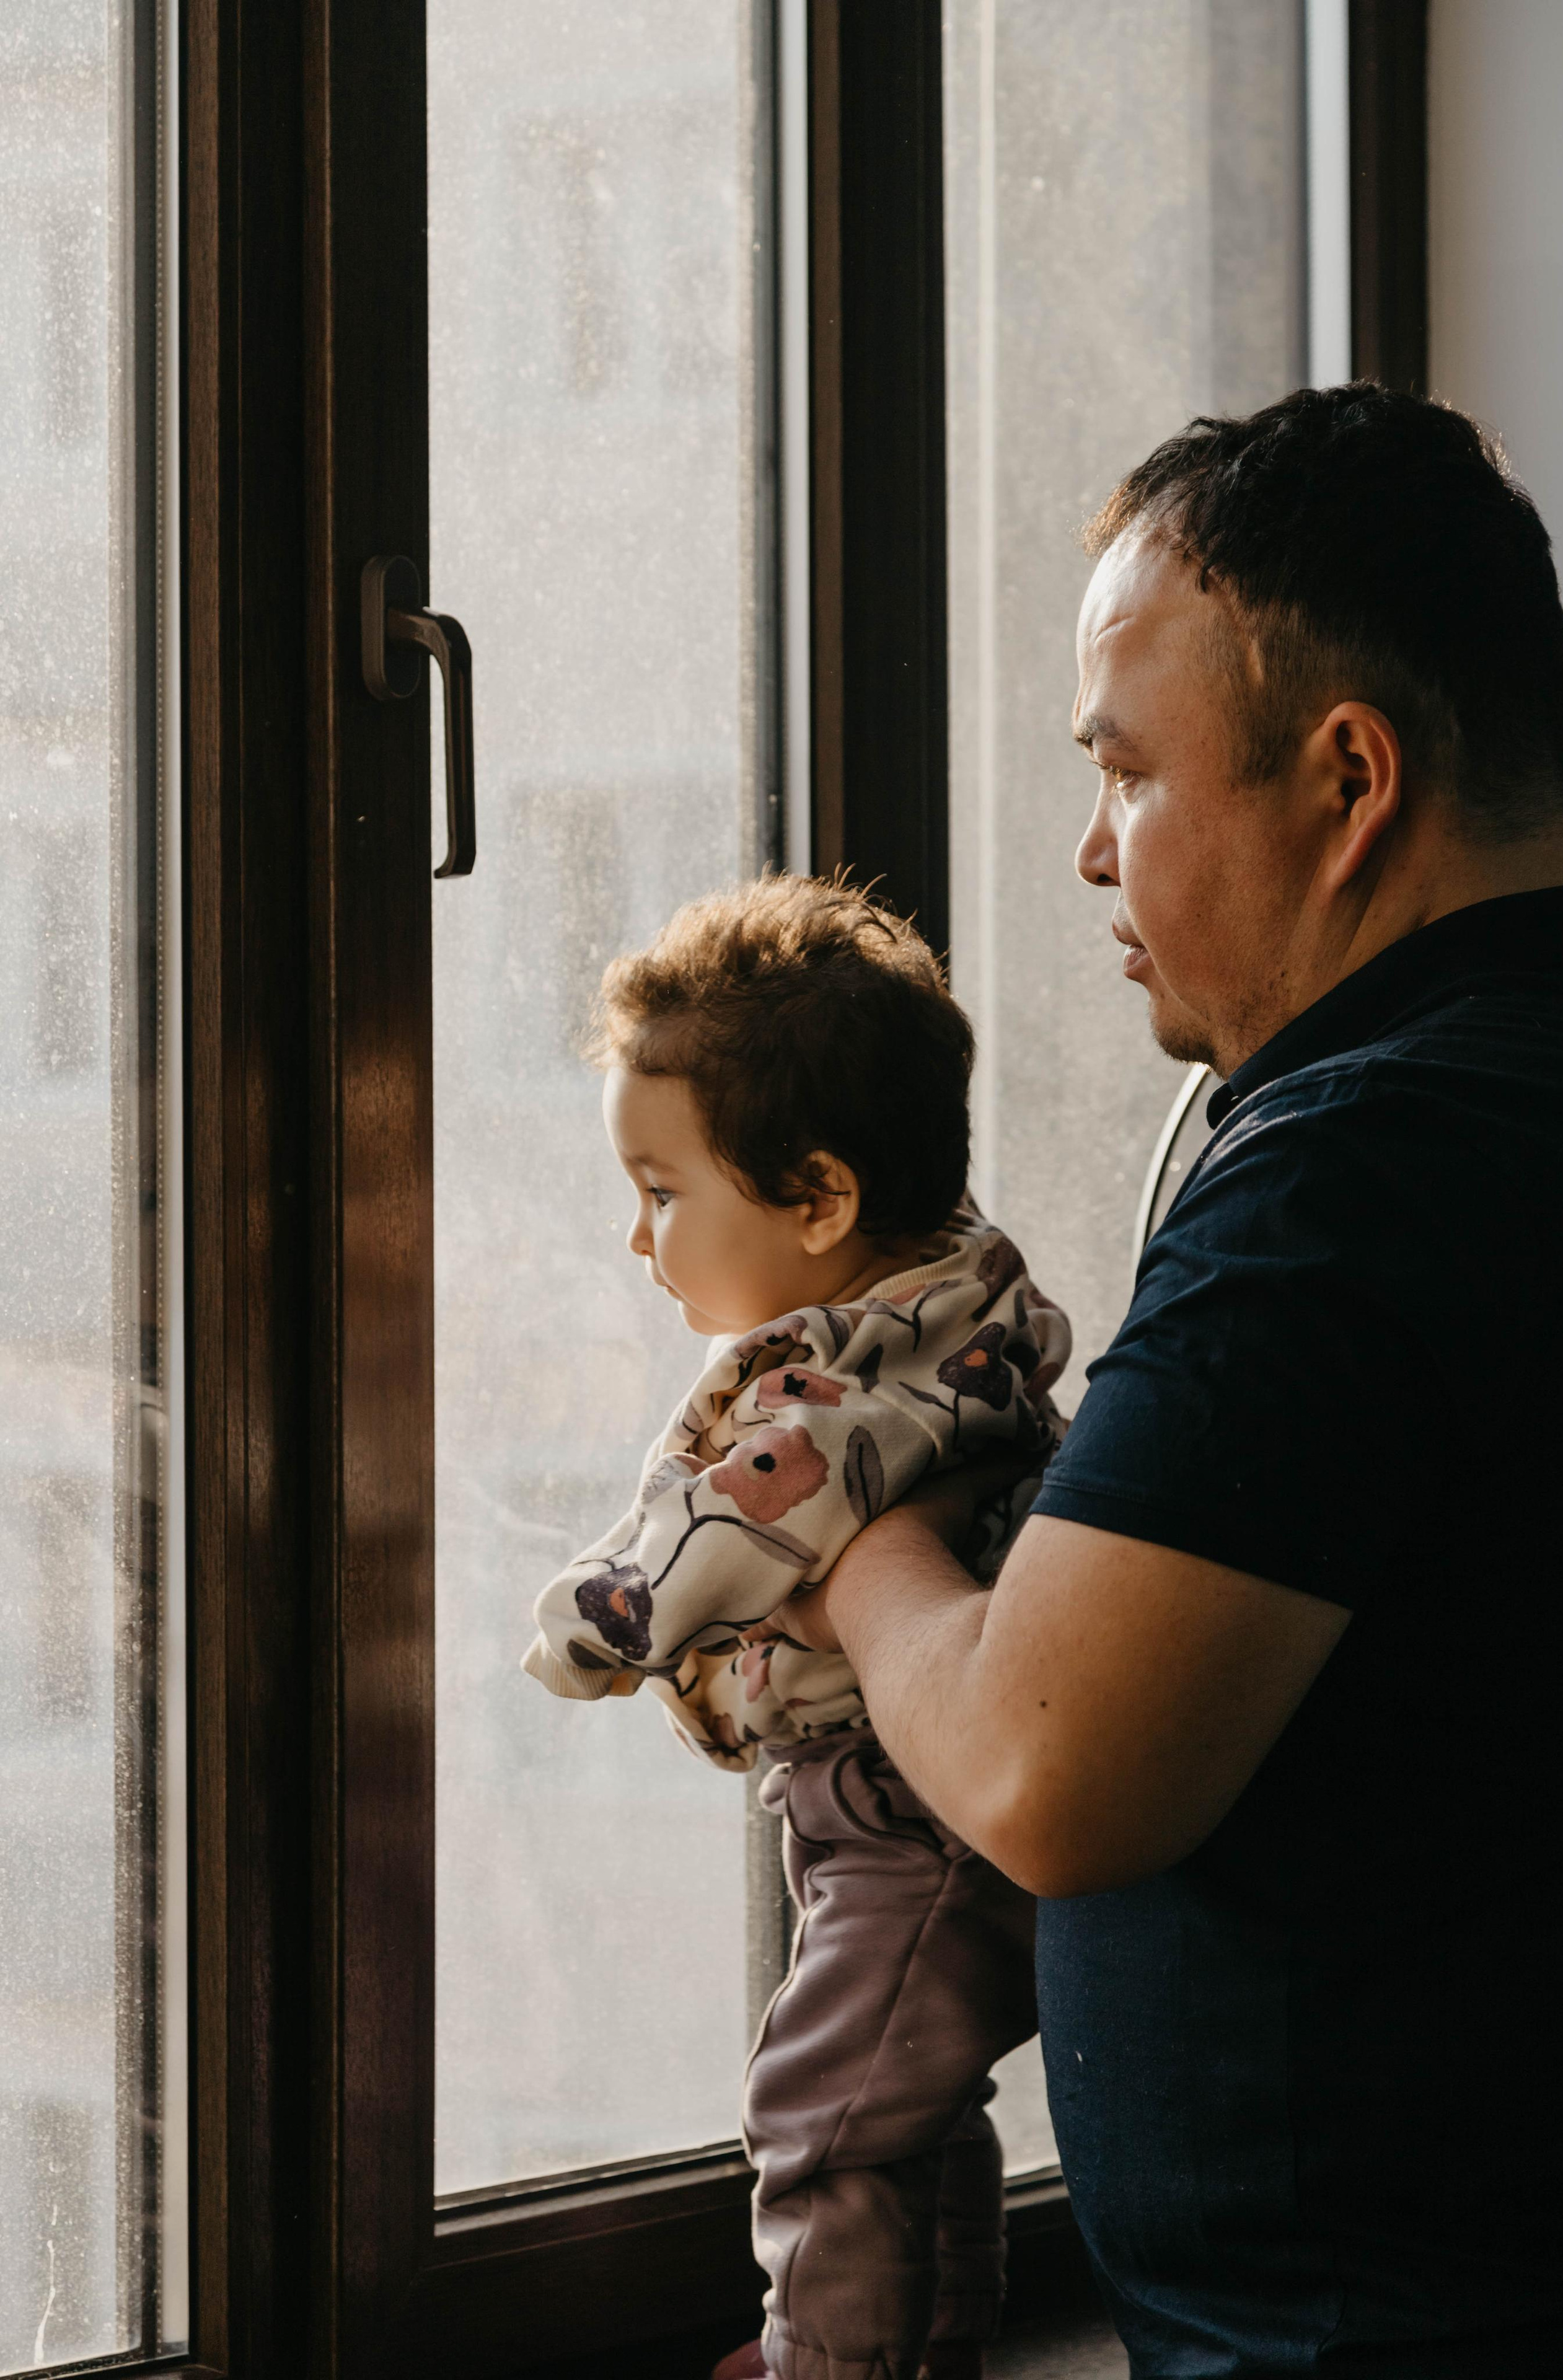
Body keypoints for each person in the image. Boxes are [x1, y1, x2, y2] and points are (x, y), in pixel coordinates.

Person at [775, 386, 1563, 2377]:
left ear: (1348, 778)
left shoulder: (1359, 1172)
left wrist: (830, 1516)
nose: (1087, 849)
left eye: (1127, 773)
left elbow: (1054, 1767)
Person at [520, 875, 1072, 2380]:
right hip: (904, 1799)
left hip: (912, 1818)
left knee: (817, 2110)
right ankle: (927, 2336)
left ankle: (830, 2362)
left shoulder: (828, 1415)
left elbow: (680, 1564)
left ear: (819, 1197)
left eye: (662, 1191)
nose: (640, 1242)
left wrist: (576, 1624)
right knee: (905, 2104)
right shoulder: (956, 1307)